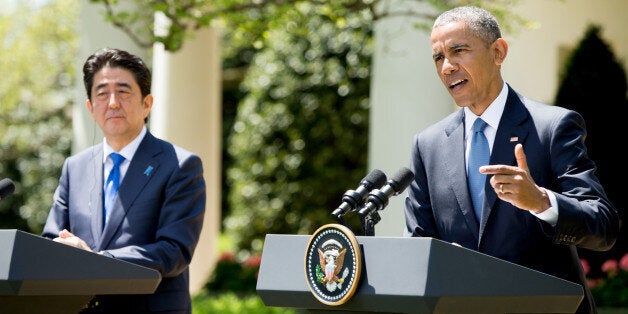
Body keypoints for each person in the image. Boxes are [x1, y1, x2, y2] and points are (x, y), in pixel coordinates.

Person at [402, 6, 620, 314]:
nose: (447, 67)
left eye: (458, 51)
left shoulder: (552, 127)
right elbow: (418, 244)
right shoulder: (428, 144)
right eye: (438, 57)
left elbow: (603, 227)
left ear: (498, 52)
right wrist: (439, 259)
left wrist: (542, 201)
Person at [42, 48, 206, 313]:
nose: (113, 103)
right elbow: (52, 239)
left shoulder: (180, 165)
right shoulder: (75, 167)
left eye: (124, 91)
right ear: (91, 108)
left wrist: (98, 261)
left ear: (147, 104)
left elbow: (174, 251)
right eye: (102, 93)